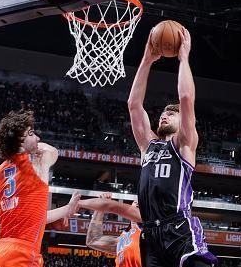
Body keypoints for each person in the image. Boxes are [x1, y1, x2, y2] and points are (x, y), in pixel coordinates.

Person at [127, 28, 217, 267]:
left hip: (179, 231)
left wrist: (184, 58)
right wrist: (147, 60)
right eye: (164, 112)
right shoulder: (149, 145)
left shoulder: (184, 143)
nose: (165, 115)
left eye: (171, 113)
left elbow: (186, 98)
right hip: (151, 235)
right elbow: (134, 105)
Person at [0, 110, 80, 267]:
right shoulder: (38, 161)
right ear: (19, 141)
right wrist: (33, 147)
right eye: (31, 133)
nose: (37, 138)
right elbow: (53, 151)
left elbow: (33, 217)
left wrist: (66, 210)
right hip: (20, 253)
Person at [85, 192, 141, 267]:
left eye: (141, 204)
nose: (137, 204)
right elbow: (93, 240)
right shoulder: (123, 239)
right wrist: (100, 208)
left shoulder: (153, 233)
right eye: (135, 202)